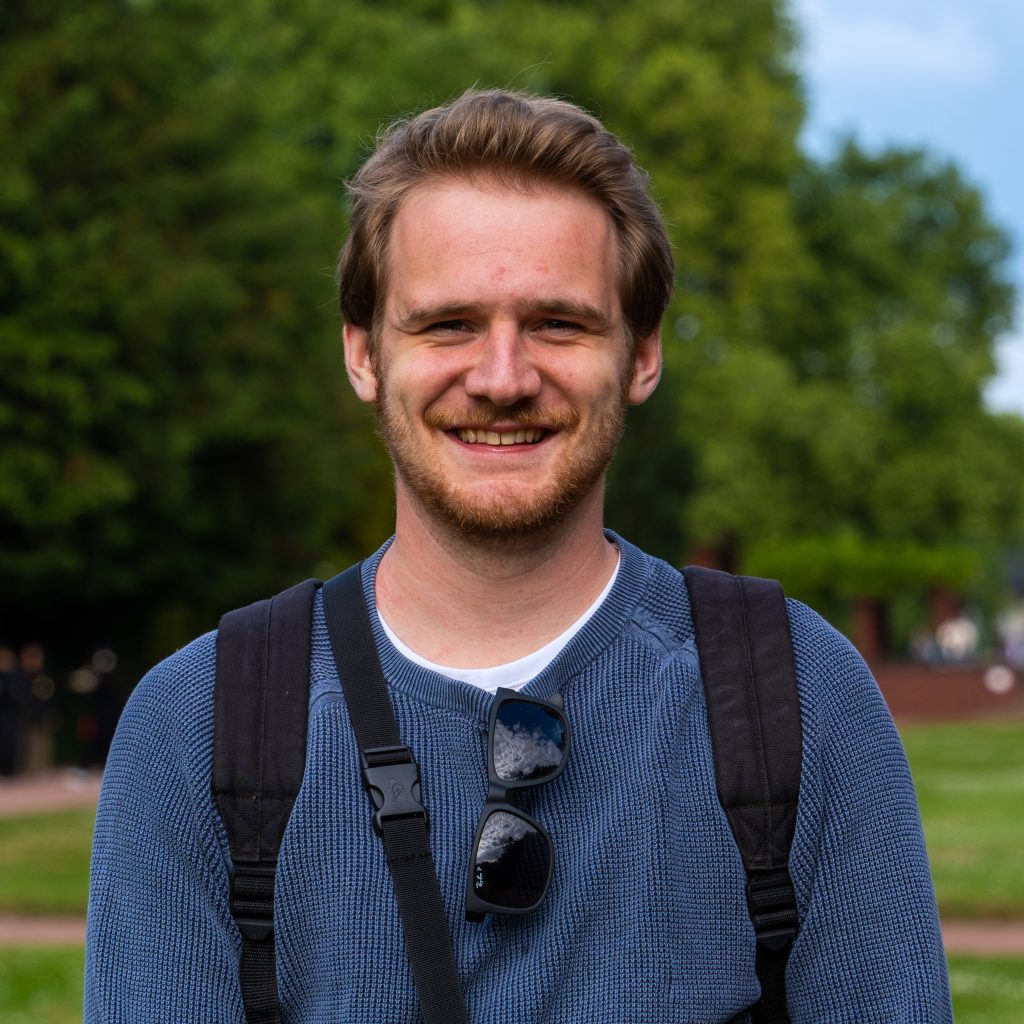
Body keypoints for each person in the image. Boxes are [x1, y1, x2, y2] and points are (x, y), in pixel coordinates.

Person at [86, 89, 952, 1022]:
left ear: (642, 356)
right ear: (364, 355)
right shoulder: (197, 726)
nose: (502, 379)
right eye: (448, 323)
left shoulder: (799, 695)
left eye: (558, 324)